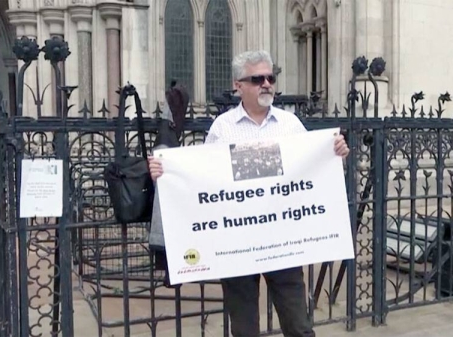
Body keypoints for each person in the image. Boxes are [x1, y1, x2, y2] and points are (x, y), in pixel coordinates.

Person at [147, 50, 349, 337]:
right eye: (257, 79)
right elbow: (201, 181)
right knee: (244, 330)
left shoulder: (291, 124)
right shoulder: (222, 128)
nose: (266, 83)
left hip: (284, 241)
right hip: (237, 243)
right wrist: (166, 173)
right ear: (238, 85)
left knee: (300, 327)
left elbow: (314, 169)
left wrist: (337, 155)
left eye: (270, 77)